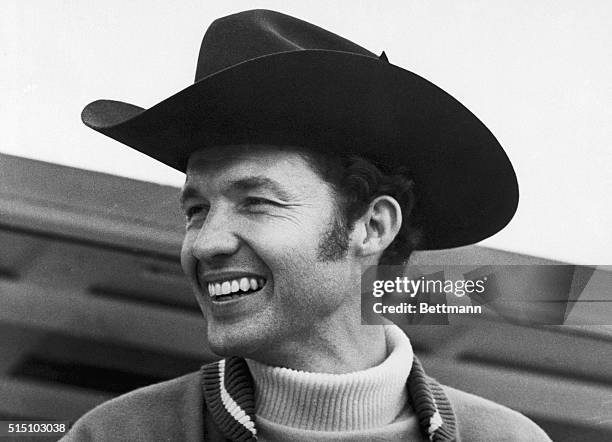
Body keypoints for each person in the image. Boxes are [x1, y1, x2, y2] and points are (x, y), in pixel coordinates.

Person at [63, 9, 550, 441]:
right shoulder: (115, 434)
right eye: (196, 210)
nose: (206, 242)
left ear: (373, 226)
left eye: (256, 202)